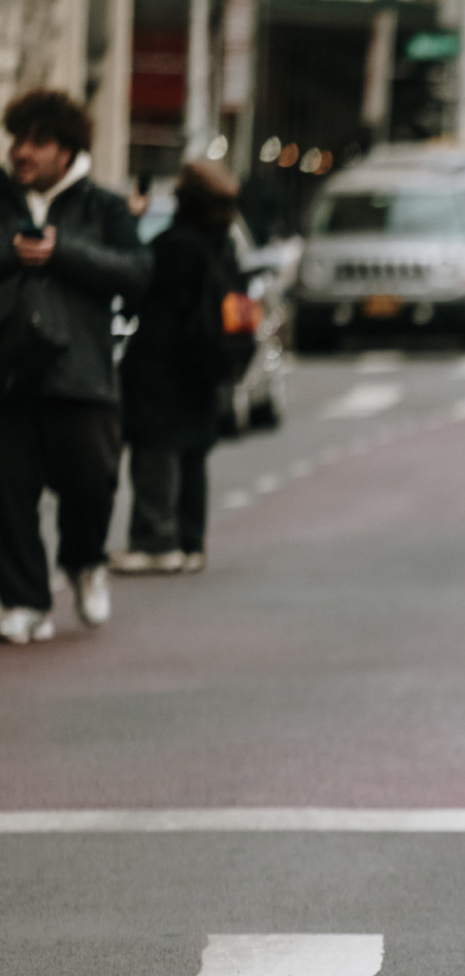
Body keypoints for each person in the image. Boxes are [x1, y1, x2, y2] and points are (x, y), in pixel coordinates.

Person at [0, 89, 153, 644]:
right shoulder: (2, 202)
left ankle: (85, 562)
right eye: (18, 139)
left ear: (67, 152)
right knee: (9, 493)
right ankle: (23, 600)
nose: (22, 153)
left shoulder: (102, 207)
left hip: (82, 374)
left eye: (38, 142)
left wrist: (63, 253)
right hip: (10, 375)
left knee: (91, 483)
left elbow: (137, 272)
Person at [112, 162, 244, 576]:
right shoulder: (223, 245)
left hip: (161, 364)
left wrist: (131, 223)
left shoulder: (173, 246)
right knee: (192, 454)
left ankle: (155, 541)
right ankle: (190, 543)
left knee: (155, 450)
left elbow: (134, 286)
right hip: (204, 366)